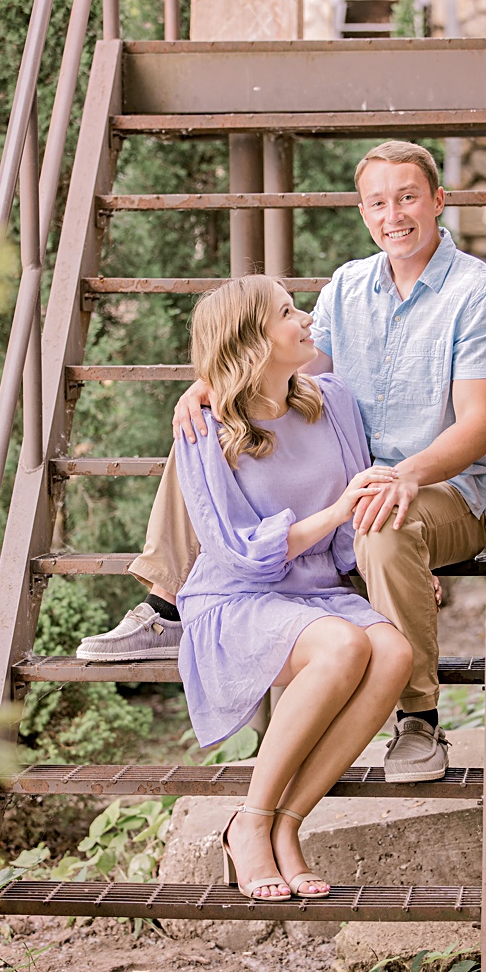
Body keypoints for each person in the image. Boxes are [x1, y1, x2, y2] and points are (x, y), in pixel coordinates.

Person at [77, 140, 486, 784]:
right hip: (343, 476)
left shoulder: (476, 292)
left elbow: (479, 425)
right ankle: (167, 608)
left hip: (438, 488)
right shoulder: (349, 287)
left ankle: (419, 720)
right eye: (379, 202)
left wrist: (404, 476)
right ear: (363, 212)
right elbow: (295, 367)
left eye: (409, 196)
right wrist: (214, 384)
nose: (396, 215)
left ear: (439, 200)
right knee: (205, 428)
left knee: (381, 526)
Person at [173, 274, 414, 901]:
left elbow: (354, 523)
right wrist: (337, 512)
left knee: (392, 652)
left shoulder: (330, 401)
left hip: (317, 592)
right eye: (287, 312)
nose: (305, 318)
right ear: (255, 339)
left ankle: (287, 824)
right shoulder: (205, 426)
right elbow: (238, 554)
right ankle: (249, 823)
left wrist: (389, 569)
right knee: (341, 648)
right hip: (237, 598)